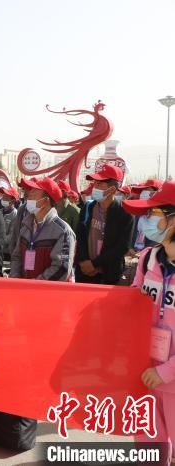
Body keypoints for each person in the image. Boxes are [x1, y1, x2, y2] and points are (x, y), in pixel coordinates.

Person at [121, 182, 175, 462]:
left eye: (154, 213)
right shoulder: (147, 259)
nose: (147, 221)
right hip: (143, 375)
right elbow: (132, 312)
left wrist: (166, 371)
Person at [75, 165, 134, 285]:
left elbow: (122, 247)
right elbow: (80, 236)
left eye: (99, 184)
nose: (94, 187)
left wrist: (95, 264)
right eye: (94, 183)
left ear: (112, 189)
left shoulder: (125, 214)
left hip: (109, 275)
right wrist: (84, 261)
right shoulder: (88, 208)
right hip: (85, 272)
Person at [10, 177, 76, 281]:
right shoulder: (26, 225)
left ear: (46, 200)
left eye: (34, 192)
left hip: (47, 293)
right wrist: (16, 279)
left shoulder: (63, 231)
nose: (29, 195)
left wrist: (35, 284)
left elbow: (61, 268)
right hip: (22, 290)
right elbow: (16, 257)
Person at [0, 186, 19, 261]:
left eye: (6, 197)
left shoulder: (16, 214)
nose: (3, 199)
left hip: (7, 253)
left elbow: (11, 235)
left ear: (13, 201)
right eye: (3, 196)